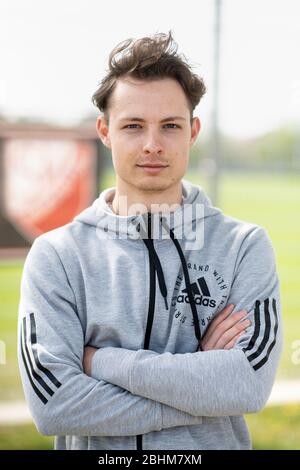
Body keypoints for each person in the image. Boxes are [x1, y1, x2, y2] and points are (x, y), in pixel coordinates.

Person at [18, 31, 282, 450]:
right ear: (105, 131)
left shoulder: (243, 246)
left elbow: (246, 386)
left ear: (193, 131)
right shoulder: (58, 256)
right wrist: (202, 388)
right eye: (134, 126)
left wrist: (99, 362)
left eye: (170, 126)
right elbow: (55, 405)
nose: (153, 145)